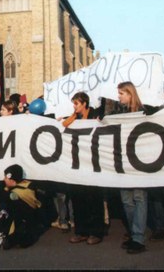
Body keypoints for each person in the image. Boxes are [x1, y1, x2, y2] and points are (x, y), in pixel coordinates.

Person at [62, 91, 105, 245]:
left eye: (76, 103)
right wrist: (74, 115)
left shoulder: (95, 114)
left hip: (93, 163)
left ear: (84, 103)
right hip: (78, 163)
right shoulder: (76, 117)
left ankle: (96, 232)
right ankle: (81, 231)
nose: (74, 106)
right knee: (78, 199)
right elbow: (64, 125)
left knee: (93, 199)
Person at [116, 82, 151, 254]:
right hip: (123, 162)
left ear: (130, 94)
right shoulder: (118, 112)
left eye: (122, 93)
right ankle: (134, 232)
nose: (119, 96)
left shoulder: (144, 111)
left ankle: (138, 237)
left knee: (139, 197)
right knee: (126, 200)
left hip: (139, 161)